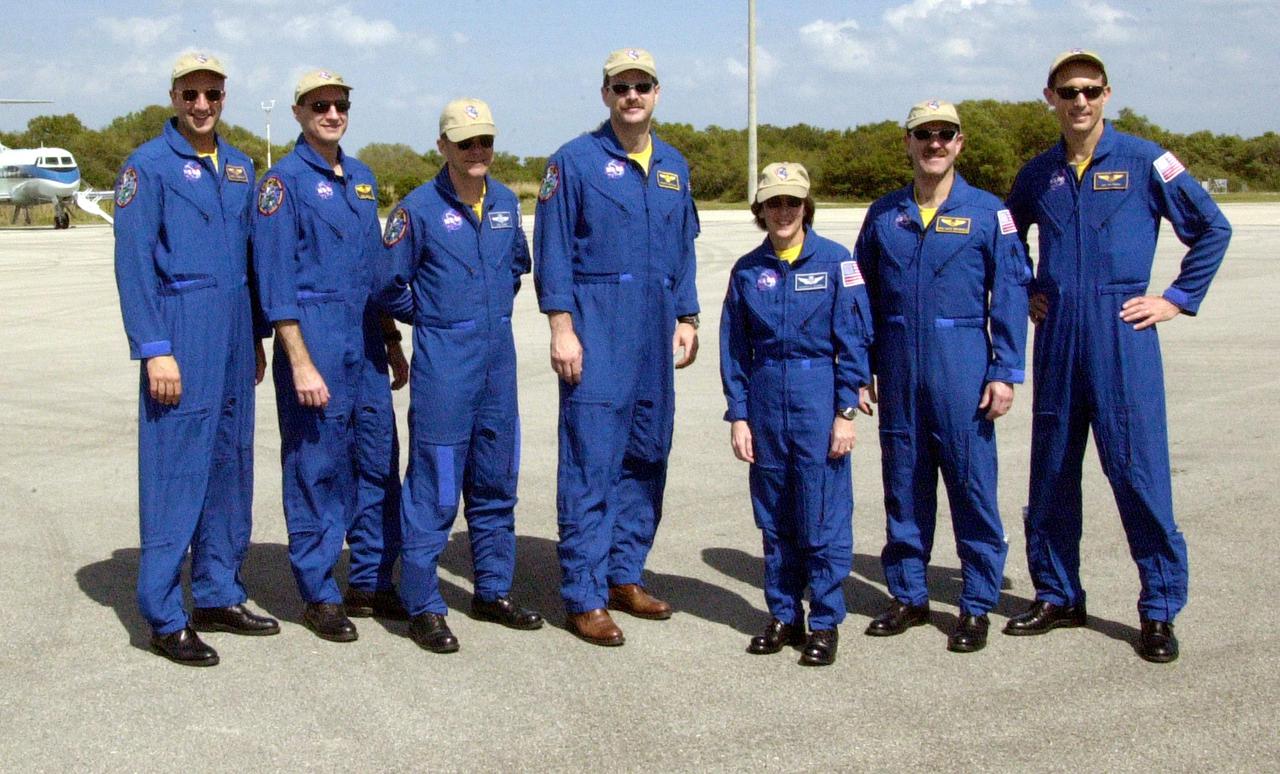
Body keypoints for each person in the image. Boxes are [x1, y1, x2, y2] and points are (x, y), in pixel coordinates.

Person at [1004, 50, 1231, 663]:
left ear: (1108, 94)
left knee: (1138, 472)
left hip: (1121, 332)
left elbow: (1212, 228)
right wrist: (1026, 288)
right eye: (1068, 91)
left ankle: (1158, 609)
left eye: (1091, 90)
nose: (1080, 101)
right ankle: (1057, 594)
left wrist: (1177, 298)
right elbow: (1005, 237)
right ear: (1049, 97)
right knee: (1051, 471)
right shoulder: (1037, 173)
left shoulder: (1145, 159)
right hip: (1058, 338)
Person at [113, 52, 278, 667]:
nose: (202, 105)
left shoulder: (239, 167)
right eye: (191, 94)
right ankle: (162, 612)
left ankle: (217, 591)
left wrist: (257, 336)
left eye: (212, 94)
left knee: (231, 464)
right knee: (175, 470)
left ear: (224, 96)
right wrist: (155, 349)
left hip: (235, 332)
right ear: (174, 95)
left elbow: (251, 261)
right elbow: (133, 266)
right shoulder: (148, 166)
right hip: (181, 327)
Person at [534, 48, 700, 646]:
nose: (633, 96)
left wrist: (688, 314)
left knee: (648, 453)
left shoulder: (675, 167)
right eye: (621, 87)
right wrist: (561, 326)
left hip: (657, 329)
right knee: (591, 460)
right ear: (606, 94)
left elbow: (684, 247)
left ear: (657, 93)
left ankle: (623, 575)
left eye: (643, 86)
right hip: (599, 326)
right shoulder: (573, 162)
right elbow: (552, 250)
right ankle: (582, 592)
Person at [854, 100, 1029, 653]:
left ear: (960, 142)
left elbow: (1012, 291)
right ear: (907, 142)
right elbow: (861, 297)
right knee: (903, 486)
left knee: (972, 487)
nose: (934, 143)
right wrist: (861, 367)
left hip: (963, 366)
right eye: (923, 134)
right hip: (899, 366)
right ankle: (908, 594)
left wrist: (1004, 369)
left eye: (944, 134)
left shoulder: (987, 212)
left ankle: (976, 603)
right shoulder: (885, 215)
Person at [377, 99, 543, 654]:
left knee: (496, 481)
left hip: (499, 359)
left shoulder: (503, 202)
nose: (477, 152)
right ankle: (422, 603)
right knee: (436, 485)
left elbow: (517, 265)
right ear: (443, 146)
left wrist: (486, 308)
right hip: (446, 364)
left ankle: (492, 590)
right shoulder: (417, 210)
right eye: (466, 142)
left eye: (485, 142)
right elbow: (388, 284)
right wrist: (435, 314)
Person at [253, 69, 407, 643]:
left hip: (365, 339)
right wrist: (299, 359)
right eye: (320, 104)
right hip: (314, 336)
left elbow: (375, 271)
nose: (332, 113)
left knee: (376, 460)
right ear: (297, 111)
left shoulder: (362, 180)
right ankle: (319, 590)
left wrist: (390, 340)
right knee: (316, 467)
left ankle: (369, 580)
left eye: (341, 104)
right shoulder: (282, 184)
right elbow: (275, 282)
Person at [719, 162, 872, 667]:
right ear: (759, 210)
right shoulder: (747, 270)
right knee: (774, 515)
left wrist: (845, 411)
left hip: (817, 395)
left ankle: (825, 621)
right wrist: (739, 415)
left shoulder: (835, 261)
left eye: (792, 202)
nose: (782, 211)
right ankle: (784, 615)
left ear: (807, 206)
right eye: (772, 203)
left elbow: (853, 343)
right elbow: (735, 348)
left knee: (822, 516)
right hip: (764, 398)